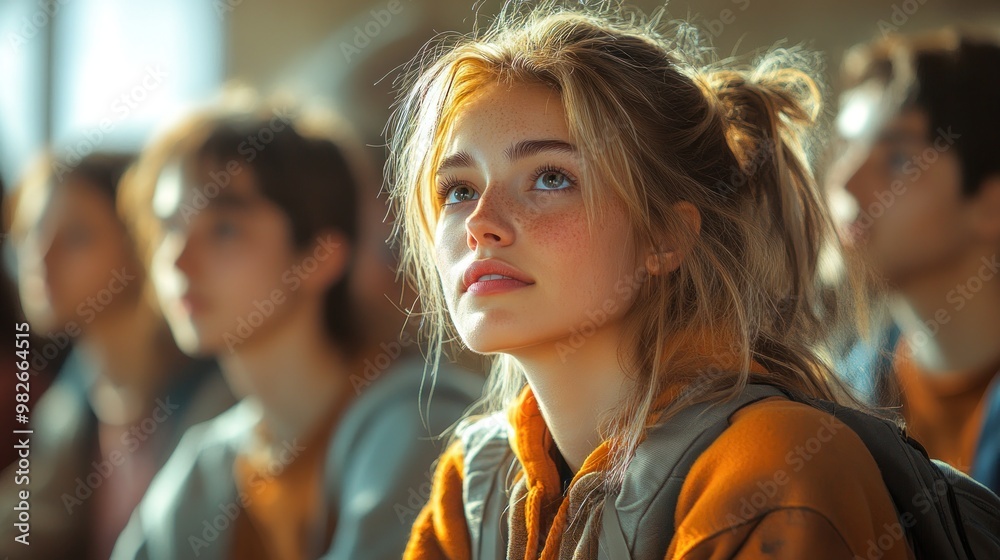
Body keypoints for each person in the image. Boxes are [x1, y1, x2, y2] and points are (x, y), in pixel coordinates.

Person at [388, 4, 915, 559]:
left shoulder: (770, 468)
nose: (480, 223)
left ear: (663, 235)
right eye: (459, 189)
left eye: (550, 178)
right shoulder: (474, 489)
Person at [111, 103, 481, 560]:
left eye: (224, 228)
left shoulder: (421, 423)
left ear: (321, 257)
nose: (177, 261)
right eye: (169, 227)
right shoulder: (208, 462)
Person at [0, 152, 234, 560]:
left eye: (76, 237)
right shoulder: (73, 398)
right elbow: (25, 532)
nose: (41, 257)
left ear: (140, 248)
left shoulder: (214, 394)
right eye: (31, 232)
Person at [832, 29, 1000, 494]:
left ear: (990, 205)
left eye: (899, 160)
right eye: (846, 147)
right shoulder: (836, 397)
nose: (843, 183)